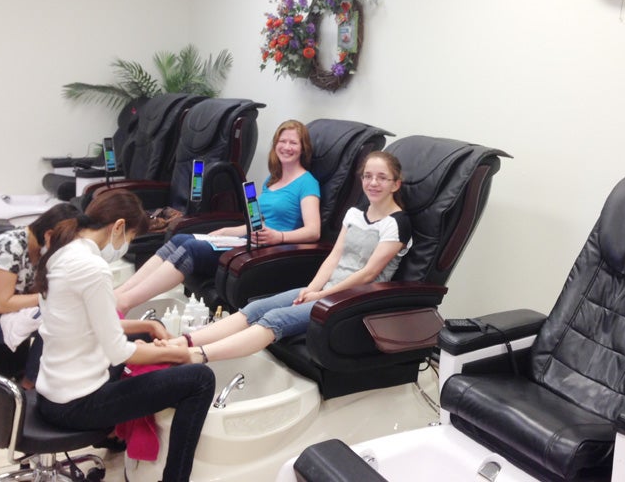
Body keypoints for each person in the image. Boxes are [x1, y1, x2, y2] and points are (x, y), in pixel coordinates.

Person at [161, 150, 411, 364]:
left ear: (396, 184)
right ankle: (182, 342)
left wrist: (321, 295)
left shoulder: (396, 224)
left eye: (382, 177)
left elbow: (368, 274)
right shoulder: (354, 214)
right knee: (256, 308)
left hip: (353, 299)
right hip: (326, 290)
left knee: (276, 319)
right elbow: (334, 257)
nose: (373, 183)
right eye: (368, 176)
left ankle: (195, 355)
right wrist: (312, 289)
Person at [34, 189, 214, 482]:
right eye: (130, 237)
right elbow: (119, 352)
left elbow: (88, 325)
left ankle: (118, 438)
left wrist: (150, 327)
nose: (126, 245)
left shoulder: (63, 251)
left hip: (52, 392)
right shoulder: (92, 268)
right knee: (200, 379)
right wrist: (181, 353)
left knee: (144, 337)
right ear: (118, 226)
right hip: (76, 405)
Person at [115, 119, 321, 314]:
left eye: (293, 142)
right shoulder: (272, 179)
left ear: (303, 148)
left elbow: (314, 231)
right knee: (179, 239)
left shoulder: (307, 183)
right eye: (282, 141)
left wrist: (279, 237)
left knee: (191, 248)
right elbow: (258, 222)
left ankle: (126, 303)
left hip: (270, 250)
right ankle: (121, 292)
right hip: (250, 240)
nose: (286, 147)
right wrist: (226, 231)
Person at [0, 202, 80, 387]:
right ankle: (28, 385)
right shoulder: (11, 248)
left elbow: (31, 289)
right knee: (52, 321)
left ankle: (45, 376)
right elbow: (0, 304)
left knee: (63, 313)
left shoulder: (38, 248)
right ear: (49, 235)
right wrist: (48, 298)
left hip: (0, 312)